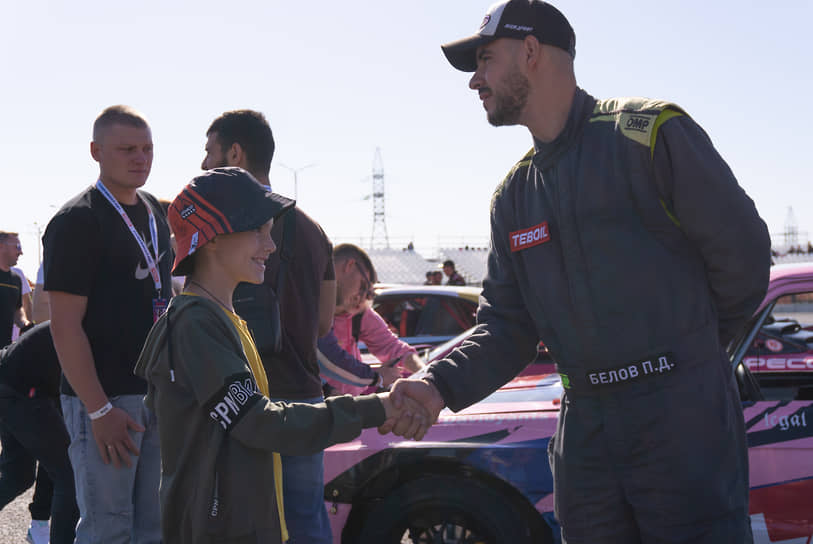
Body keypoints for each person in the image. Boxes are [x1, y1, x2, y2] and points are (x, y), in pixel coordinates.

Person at [382, 1, 771, 543]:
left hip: (683, 426)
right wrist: (435, 385)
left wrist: (686, 360)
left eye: (486, 60)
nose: (475, 80)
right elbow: (506, 329)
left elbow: (746, 259)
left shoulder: (648, 136)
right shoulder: (513, 197)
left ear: (533, 52)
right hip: (587, 432)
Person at [134, 168, 422, 544]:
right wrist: (376, 408)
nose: (270, 246)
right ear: (214, 239)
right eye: (258, 231)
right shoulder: (196, 325)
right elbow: (260, 423)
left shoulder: (222, 317)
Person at [201, 109, 338, 543]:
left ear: (235, 152)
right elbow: (322, 324)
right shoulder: (313, 230)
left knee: (239, 522)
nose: (204, 164)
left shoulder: (222, 227)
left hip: (242, 400)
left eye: (210, 152)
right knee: (306, 521)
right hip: (305, 397)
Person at [43, 105, 172, 543]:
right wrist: (99, 410)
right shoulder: (78, 219)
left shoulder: (155, 211)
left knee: (152, 528)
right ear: (96, 151)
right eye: (127, 149)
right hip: (105, 400)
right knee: (108, 529)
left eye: (148, 148)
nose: (140, 158)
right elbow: (64, 327)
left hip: (154, 394)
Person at [0, 323, 79, 544]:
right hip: (23, 390)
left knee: (18, 477)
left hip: (13, 381)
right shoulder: (93, 318)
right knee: (70, 474)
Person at [319, 244, 423, 396]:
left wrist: (426, 375)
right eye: (363, 286)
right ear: (350, 265)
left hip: (346, 408)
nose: (360, 298)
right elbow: (329, 357)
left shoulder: (358, 313)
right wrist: (376, 376)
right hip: (315, 409)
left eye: (368, 294)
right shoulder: (308, 304)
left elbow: (394, 348)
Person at [0, 232, 33, 347]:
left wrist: (26, 325)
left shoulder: (16, 279)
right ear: (1, 246)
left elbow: (17, 310)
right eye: (17, 247)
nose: (21, 252)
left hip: (4, 349)